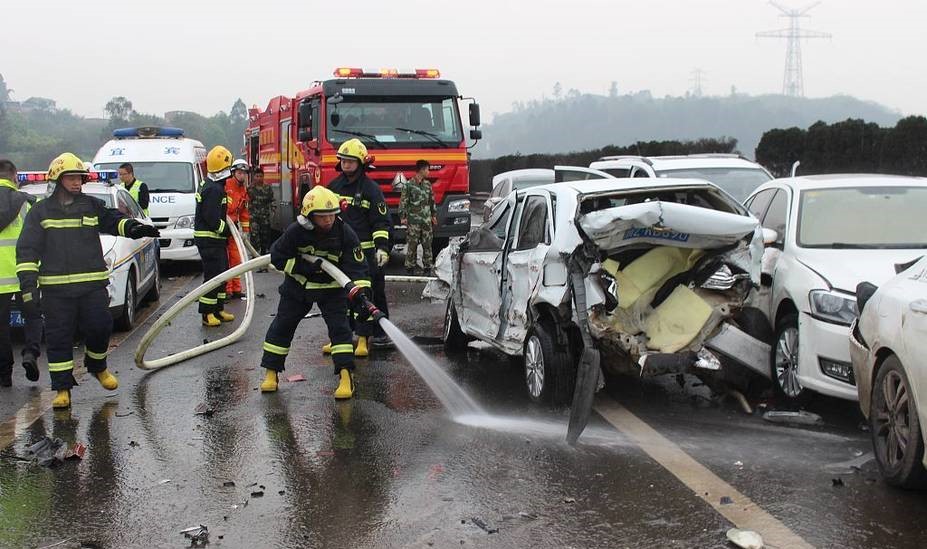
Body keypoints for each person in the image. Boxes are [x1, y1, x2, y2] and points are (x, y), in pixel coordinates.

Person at [16, 153, 160, 408]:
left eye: (79, 178)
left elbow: (112, 220)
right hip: (56, 291)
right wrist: (29, 289)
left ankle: (97, 367)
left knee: (101, 326)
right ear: (57, 180)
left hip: (92, 286)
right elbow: (27, 252)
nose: (76, 183)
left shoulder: (91, 206)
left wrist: (134, 227)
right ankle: (62, 388)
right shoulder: (40, 212)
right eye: (71, 178)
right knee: (59, 338)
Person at [258, 185, 372, 399]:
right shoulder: (296, 232)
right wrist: (304, 267)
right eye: (322, 216)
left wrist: (362, 296)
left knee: (340, 330)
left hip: (331, 289)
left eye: (331, 215)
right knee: (282, 327)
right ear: (309, 215)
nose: (328, 220)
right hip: (298, 287)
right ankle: (271, 374)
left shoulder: (344, 232)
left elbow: (358, 267)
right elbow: (278, 257)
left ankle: (346, 377)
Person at [326, 138, 392, 356]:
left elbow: (381, 222)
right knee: (339, 296)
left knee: (370, 293)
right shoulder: (333, 188)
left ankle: (377, 333)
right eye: (343, 161)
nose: (346, 165)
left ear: (361, 163)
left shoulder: (371, 190)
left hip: (366, 254)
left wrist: (382, 248)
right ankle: (342, 337)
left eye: (350, 161)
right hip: (340, 253)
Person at [0, 159, 40, 387]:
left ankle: (5, 374)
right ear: (14, 177)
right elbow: (41, 238)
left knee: (1, 327)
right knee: (33, 316)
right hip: (26, 272)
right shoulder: (27, 204)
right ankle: (30, 353)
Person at [195, 146, 236, 327]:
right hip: (209, 239)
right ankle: (207, 313)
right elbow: (212, 218)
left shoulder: (213, 185)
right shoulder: (214, 190)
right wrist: (226, 230)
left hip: (215, 240)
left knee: (222, 273)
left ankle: (218, 309)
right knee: (213, 277)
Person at [399, 160, 437, 275]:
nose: (428, 172)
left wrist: (434, 215)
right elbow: (403, 202)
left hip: (426, 220)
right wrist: (403, 216)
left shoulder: (427, 185)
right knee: (412, 244)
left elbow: (432, 201)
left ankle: (427, 268)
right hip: (413, 221)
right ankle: (410, 268)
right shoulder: (409, 185)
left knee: (427, 244)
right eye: (427, 169)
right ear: (421, 170)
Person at [225, 159, 251, 298]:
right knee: (226, 259)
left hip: (233, 228)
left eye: (244, 173)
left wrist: (245, 232)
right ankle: (227, 289)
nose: (242, 176)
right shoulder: (226, 186)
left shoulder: (243, 190)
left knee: (236, 258)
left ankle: (236, 289)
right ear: (233, 173)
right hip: (224, 228)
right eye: (239, 173)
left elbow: (244, 213)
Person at [248, 167, 274, 254]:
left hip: (264, 218)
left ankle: (263, 255)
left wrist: (273, 209)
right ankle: (255, 255)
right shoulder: (250, 189)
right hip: (254, 218)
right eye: (257, 176)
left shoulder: (267, 188)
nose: (259, 178)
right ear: (254, 177)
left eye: (261, 176)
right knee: (255, 237)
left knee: (265, 237)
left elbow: (272, 200)